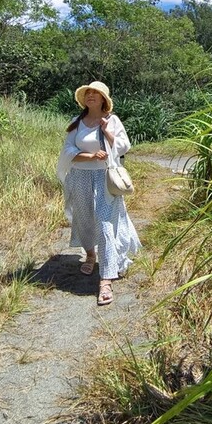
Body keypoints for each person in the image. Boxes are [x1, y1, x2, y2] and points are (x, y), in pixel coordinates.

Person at [56, 81, 141, 306]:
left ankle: (106, 278)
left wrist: (107, 132)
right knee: (84, 218)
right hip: (80, 177)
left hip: (104, 179)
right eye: (88, 93)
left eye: (96, 93)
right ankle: (90, 255)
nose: (91, 95)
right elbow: (67, 151)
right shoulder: (76, 122)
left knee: (105, 224)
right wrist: (90, 157)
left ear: (104, 98)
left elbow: (124, 147)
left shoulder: (111, 120)